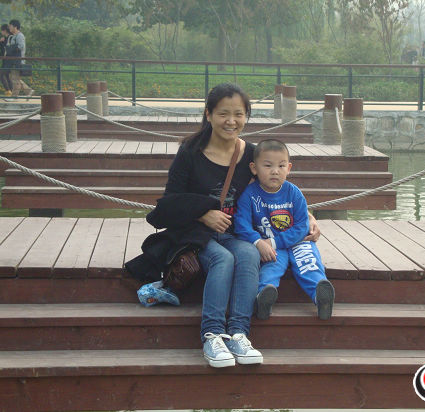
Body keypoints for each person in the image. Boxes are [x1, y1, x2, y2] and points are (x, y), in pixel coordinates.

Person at [124, 83, 321, 369]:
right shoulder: (190, 152)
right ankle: (212, 334)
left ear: (246, 117)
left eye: (238, 114)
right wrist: (203, 213)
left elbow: (277, 188)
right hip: (197, 234)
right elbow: (169, 203)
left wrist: (309, 217)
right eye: (223, 114)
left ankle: (239, 333)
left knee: (249, 253)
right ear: (208, 114)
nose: (231, 121)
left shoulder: (251, 154)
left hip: (235, 233)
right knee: (223, 259)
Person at [234, 139, 335, 321]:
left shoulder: (293, 193)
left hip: (297, 242)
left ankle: (320, 296)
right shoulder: (249, 195)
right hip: (269, 246)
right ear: (254, 168)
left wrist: (274, 241)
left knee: (309, 262)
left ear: (288, 168)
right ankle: (264, 296)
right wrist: (258, 242)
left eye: (281, 166)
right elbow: (241, 224)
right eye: (268, 166)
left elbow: (302, 226)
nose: (275, 171)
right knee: (271, 267)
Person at [7, 19, 33, 98]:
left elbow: (21, 46)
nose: (9, 28)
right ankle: (28, 90)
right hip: (13, 60)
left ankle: (14, 96)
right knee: (13, 77)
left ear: (15, 27)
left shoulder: (20, 36)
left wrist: (11, 49)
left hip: (18, 60)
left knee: (15, 79)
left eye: (10, 26)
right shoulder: (13, 36)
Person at [0, 24, 13, 95]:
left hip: (9, 60)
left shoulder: (10, 38)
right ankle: (10, 92)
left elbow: (8, 49)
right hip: (5, 60)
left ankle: (8, 90)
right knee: (7, 76)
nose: (1, 32)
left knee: (2, 74)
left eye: (1, 30)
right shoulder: (5, 38)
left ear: (4, 30)